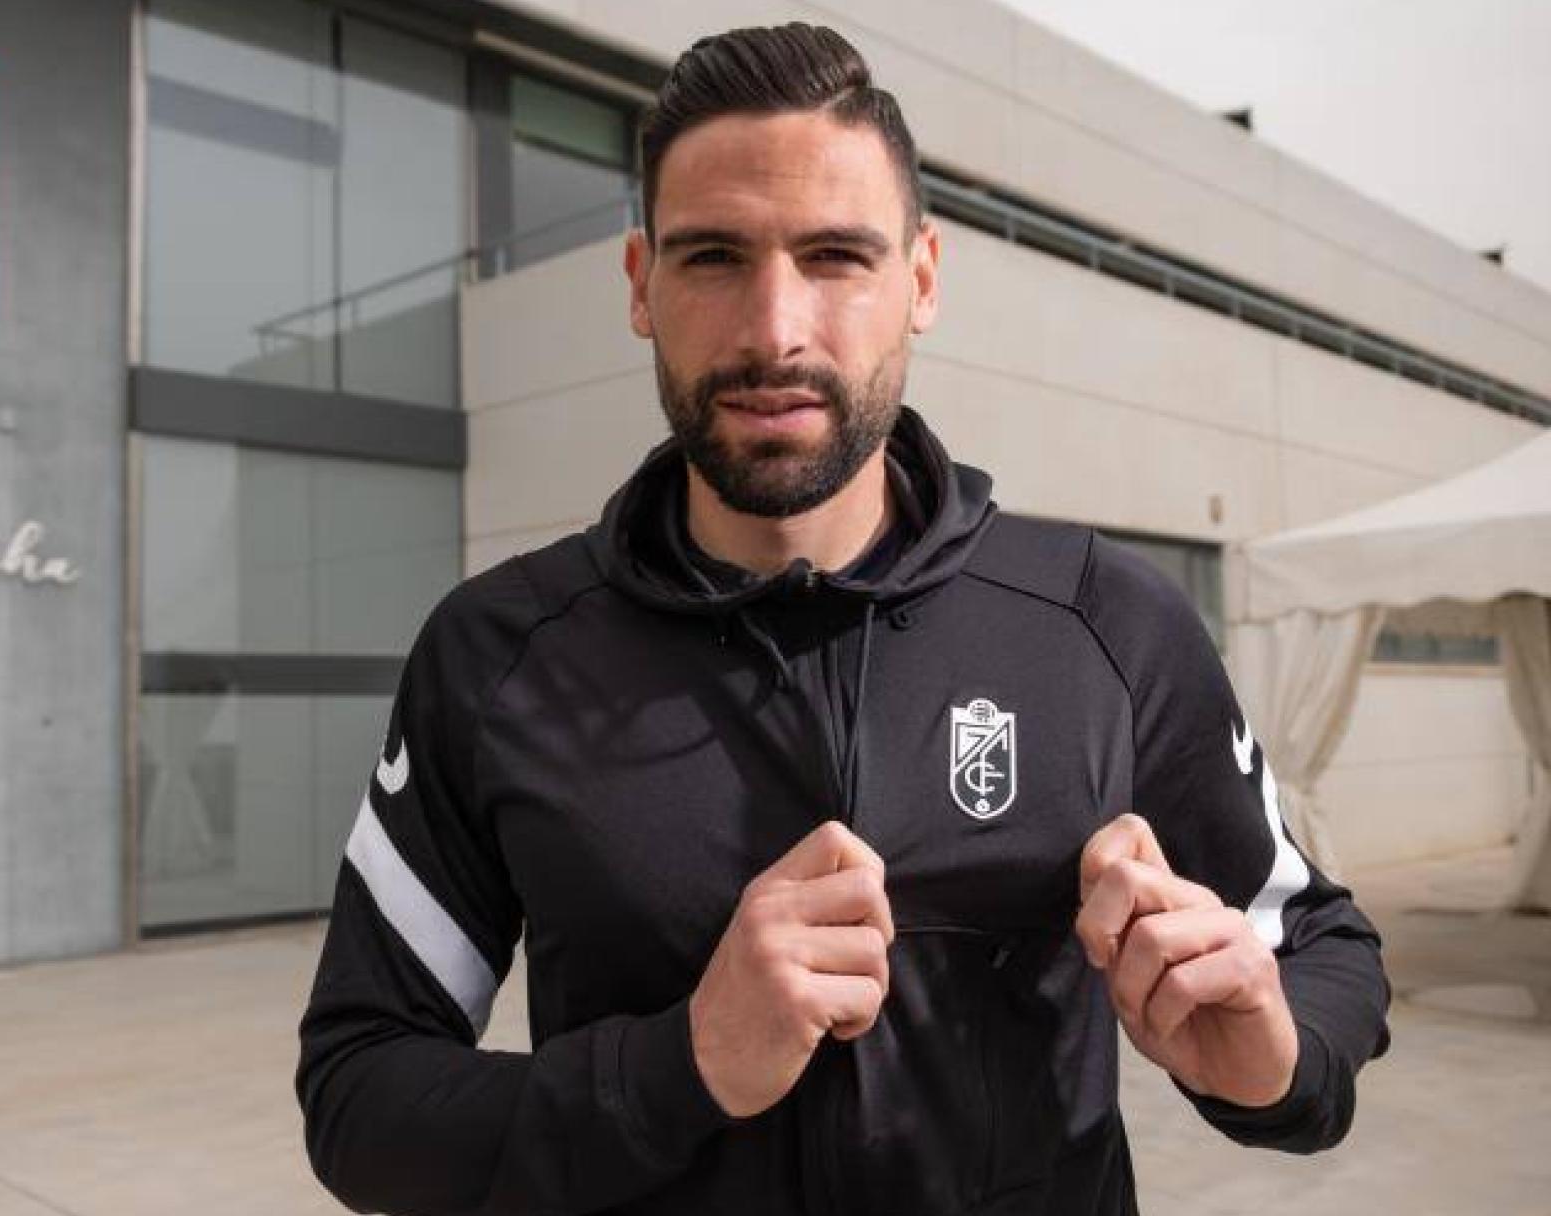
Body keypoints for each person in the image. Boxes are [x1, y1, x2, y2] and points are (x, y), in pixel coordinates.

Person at [295, 22, 1390, 1215]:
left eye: (834, 256)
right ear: (640, 286)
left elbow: (1327, 951)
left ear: (920, 279)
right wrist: (684, 1065)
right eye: (713, 256)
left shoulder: (1102, 623)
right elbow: (361, 1096)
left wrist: (1274, 1058)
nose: (776, 330)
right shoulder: (496, 656)